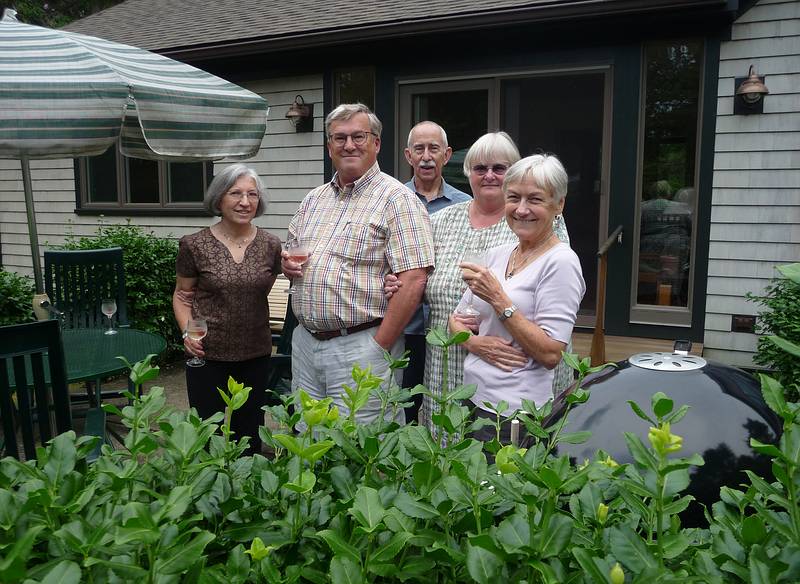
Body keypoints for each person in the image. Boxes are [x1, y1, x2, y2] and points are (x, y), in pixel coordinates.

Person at [282, 103, 434, 426]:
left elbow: (414, 279)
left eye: (358, 136)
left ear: (376, 143)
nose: (349, 145)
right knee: (308, 439)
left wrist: (379, 347)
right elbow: (291, 255)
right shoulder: (313, 200)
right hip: (306, 344)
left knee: (361, 447)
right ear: (329, 147)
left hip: (362, 345)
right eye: (339, 138)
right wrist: (288, 266)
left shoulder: (397, 199)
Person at [450, 154, 585, 442]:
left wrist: (499, 300)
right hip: (473, 399)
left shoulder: (560, 262)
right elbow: (457, 320)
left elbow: (550, 354)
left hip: (514, 413)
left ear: (558, 204)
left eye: (535, 199)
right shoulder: (499, 254)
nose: (522, 210)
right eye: (513, 197)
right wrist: (476, 343)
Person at [173, 164, 282, 455]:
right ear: (219, 198)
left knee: (249, 433)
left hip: (255, 355)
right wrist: (188, 333)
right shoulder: (194, 244)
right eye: (235, 193)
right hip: (207, 356)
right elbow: (183, 296)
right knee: (209, 431)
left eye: (252, 194)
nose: (245, 202)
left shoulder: (271, 245)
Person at [401, 121, 471, 423]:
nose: (426, 156)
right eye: (419, 149)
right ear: (408, 156)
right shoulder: (393, 201)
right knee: (401, 404)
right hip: (404, 325)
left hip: (447, 328)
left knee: (444, 407)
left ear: (447, 154)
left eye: (434, 149)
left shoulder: (466, 205)